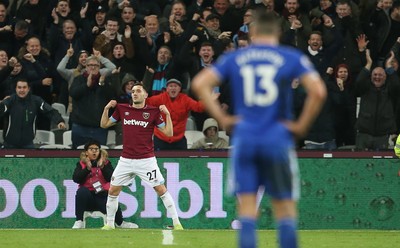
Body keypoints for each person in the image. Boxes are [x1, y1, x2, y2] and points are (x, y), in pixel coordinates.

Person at [191, 12, 326, 248]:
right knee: (284, 208)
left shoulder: (237, 57)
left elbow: (200, 83)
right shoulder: (289, 56)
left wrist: (223, 118)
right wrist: (301, 126)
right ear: (278, 33)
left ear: (252, 34)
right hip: (277, 138)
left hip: (245, 139)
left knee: (247, 209)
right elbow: (318, 91)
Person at [100, 82, 183, 230]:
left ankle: (177, 223)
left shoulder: (153, 112)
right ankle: (110, 225)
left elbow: (169, 133)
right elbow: (104, 124)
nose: (135, 93)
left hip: (146, 160)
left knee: (161, 189)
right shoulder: (122, 109)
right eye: (133, 91)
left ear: (145, 95)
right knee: (113, 190)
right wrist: (106, 108)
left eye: (138, 91)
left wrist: (167, 114)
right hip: (125, 159)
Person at [72, 140, 138, 229]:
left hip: (101, 196)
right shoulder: (81, 164)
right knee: (81, 191)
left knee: (111, 196)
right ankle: (79, 221)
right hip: (88, 198)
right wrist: (87, 169)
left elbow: (112, 178)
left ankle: (120, 222)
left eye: (96, 149)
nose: (94, 151)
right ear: (86, 152)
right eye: (91, 149)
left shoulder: (106, 163)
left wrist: (102, 167)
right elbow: (76, 179)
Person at [0, 79, 66, 149]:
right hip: (9, 145)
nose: (22, 90)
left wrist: (59, 121)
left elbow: (50, 111)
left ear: (28, 89)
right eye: (19, 87)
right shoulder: (10, 100)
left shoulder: (36, 101)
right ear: (16, 89)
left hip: (28, 144)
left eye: (24, 87)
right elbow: (2, 109)